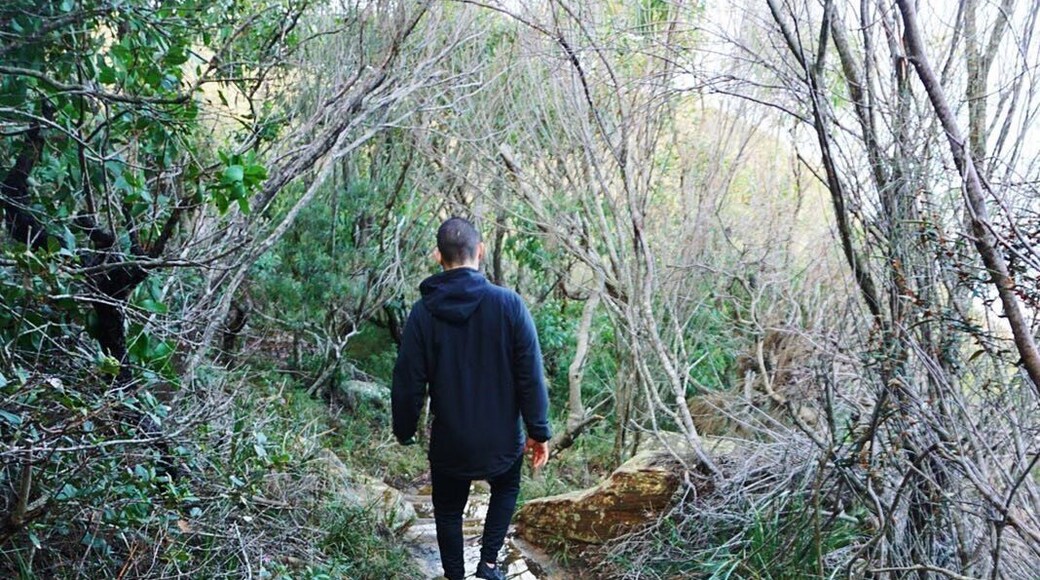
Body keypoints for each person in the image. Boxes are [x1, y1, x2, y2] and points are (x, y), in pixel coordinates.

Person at [392, 217, 551, 580]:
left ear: (438, 256)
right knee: (507, 486)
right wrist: (538, 430)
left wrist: (404, 429)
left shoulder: (423, 313)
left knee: (448, 508)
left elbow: (407, 380)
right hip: (502, 439)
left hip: (451, 441)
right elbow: (530, 373)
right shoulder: (509, 305)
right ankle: (489, 564)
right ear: (480, 251)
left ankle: (454, 575)